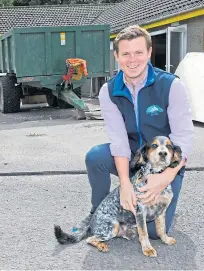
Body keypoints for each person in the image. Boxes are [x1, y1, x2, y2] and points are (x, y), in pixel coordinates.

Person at [85, 25, 194, 239]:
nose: (132, 60)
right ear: (116, 56)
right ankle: (99, 214)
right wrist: (125, 184)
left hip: (165, 162)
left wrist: (165, 177)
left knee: (153, 233)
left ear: (149, 53)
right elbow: (118, 141)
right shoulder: (108, 91)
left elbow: (183, 139)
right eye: (125, 53)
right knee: (95, 156)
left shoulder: (172, 86)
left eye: (138, 53)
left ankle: (158, 202)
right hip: (135, 158)